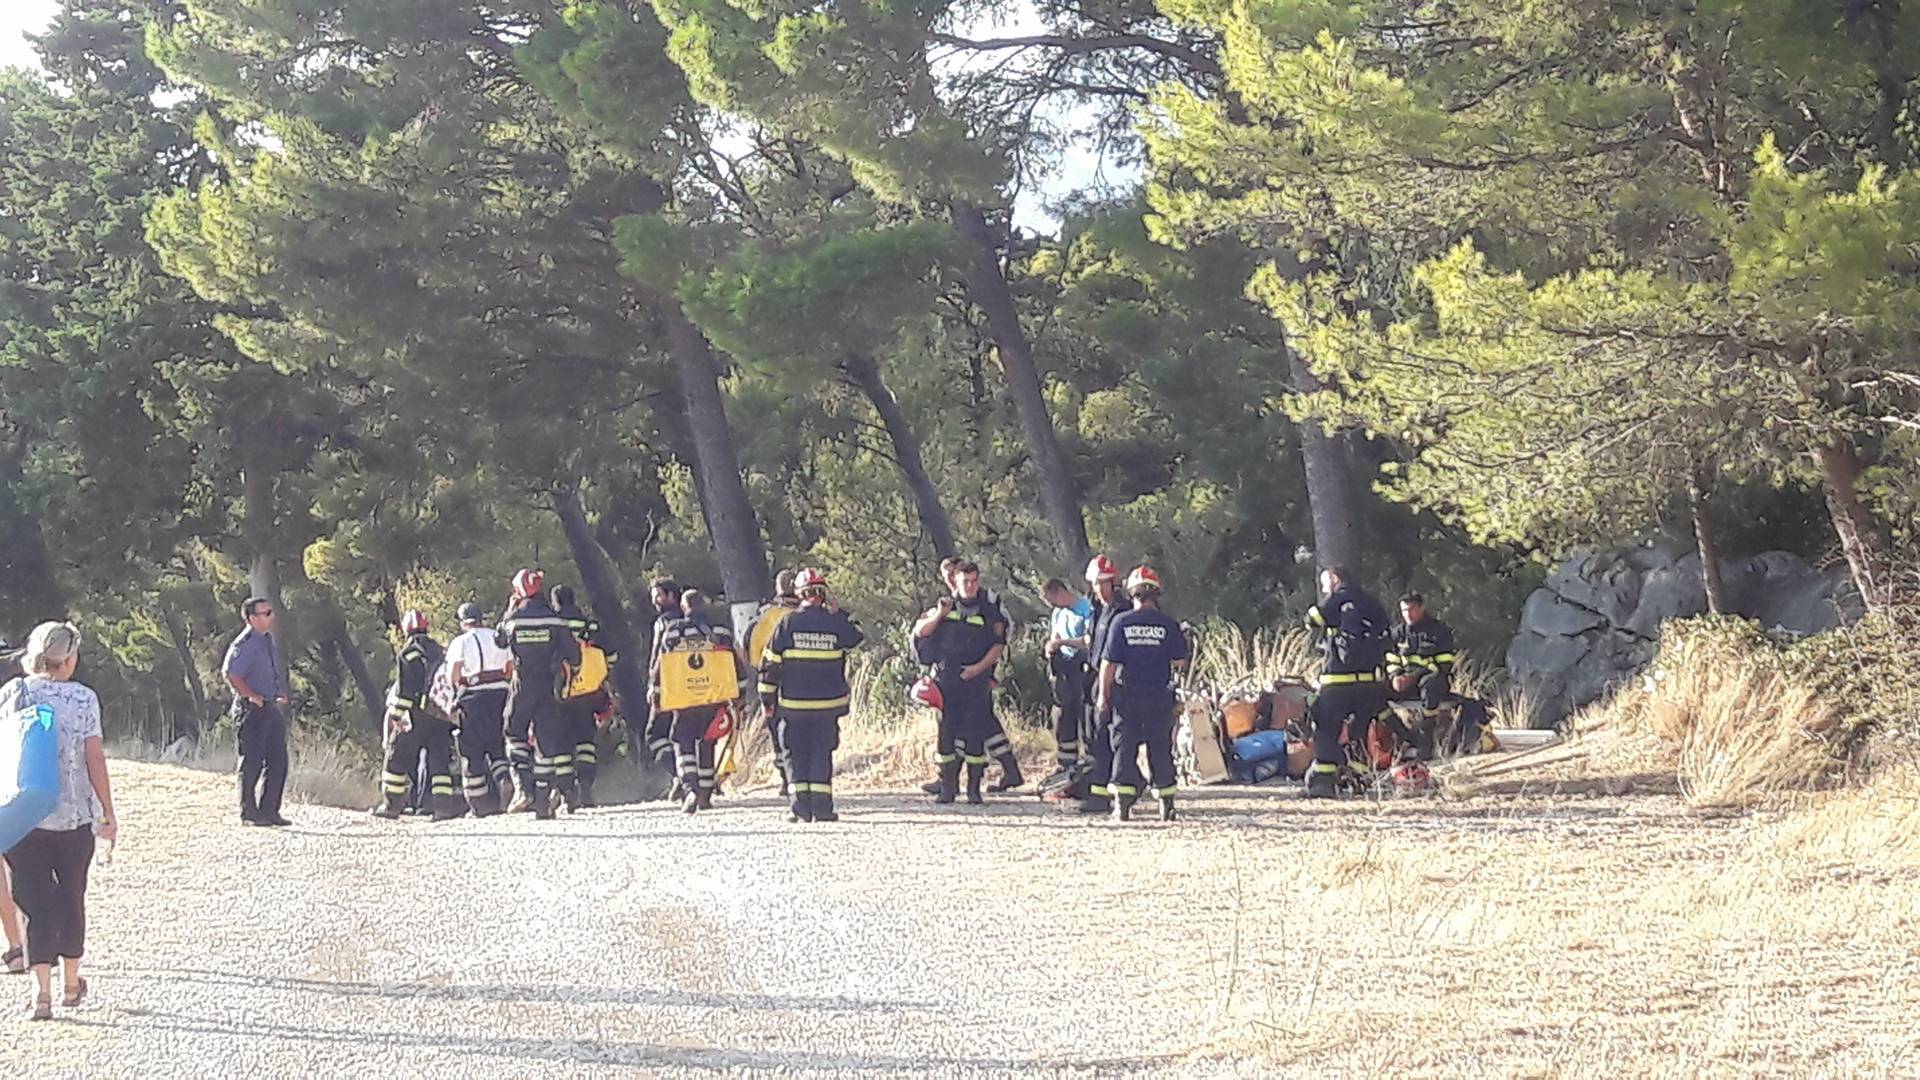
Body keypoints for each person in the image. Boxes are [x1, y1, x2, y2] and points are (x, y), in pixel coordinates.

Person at [2, 621, 117, 1020]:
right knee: (71, 897)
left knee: (32, 904)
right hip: (73, 817)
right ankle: (71, 983)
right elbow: (94, 758)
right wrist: (107, 812)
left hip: (22, 817)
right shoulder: (84, 699)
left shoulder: (13, 693)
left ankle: (41, 994)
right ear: (69, 658)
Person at [757, 569, 863, 823]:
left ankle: (800, 809)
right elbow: (856, 636)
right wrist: (839, 613)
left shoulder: (787, 623)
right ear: (822, 594)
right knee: (821, 754)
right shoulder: (834, 623)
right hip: (827, 708)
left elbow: (769, 664)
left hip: (793, 707)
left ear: (800, 594)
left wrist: (767, 701)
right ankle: (823, 809)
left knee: (794, 754)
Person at [1096, 567, 1190, 822]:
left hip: (1127, 698)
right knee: (1160, 749)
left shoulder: (1121, 622)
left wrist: (1103, 697)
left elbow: (1109, 665)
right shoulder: (1168, 624)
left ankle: (1123, 806)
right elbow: (1180, 661)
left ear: (1132, 592)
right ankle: (1167, 805)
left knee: (1124, 750)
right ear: (1156, 593)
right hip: (1159, 697)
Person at [912, 560, 1008, 805]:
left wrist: (978, 669)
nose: (971, 586)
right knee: (946, 735)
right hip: (947, 681)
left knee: (975, 736)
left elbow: (998, 645)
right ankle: (947, 787)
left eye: (974, 581)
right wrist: (939, 615)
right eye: (966, 581)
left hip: (975, 681)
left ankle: (974, 788)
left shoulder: (988, 610)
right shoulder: (944, 606)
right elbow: (921, 632)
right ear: (955, 580)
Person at [652, 589, 747, 814]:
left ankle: (689, 786)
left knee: (682, 740)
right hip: (714, 697)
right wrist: (740, 694)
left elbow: (662, 665)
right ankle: (705, 795)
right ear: (703, 605)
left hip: (684, 699)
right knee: (708, 741)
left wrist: (655, 693)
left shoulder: (674, 631)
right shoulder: (721, 631)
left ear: (684, 607)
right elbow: (735, 662)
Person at [496, 569, 580, 819]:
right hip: (548, 687)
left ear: (519, 590)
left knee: (513, 733)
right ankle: (543, 803)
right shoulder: (555, 620)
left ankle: (523, 788)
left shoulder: (514, 619)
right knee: (547, 743)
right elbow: (574, 656)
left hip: (521, 685)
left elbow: (500, 640)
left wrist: (509, 610)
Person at [1302, 566, 1392, 799]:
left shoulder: (1339, 598)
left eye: (1325, 584)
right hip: (1368, 683)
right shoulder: (1371, 602)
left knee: (1324, 726)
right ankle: (1360, 779)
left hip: (1338, 680)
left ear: (1335, 579)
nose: (1324, 589)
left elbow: (1312, 619)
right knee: (1360, 732)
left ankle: (1324, 782)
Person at [373, 611, 460, 821]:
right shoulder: (440, 651)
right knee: (439, 761)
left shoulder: (407, 654)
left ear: (406, 630)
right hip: (440, 715)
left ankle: (392, 806)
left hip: (415, 716)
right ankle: (442, 809)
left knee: (396, 758)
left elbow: (404, 692)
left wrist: (396, 717)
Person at [222, 597, 291, 827]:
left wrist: (274, 694)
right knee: (251, 761)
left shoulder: (266, 640)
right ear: (252, 619)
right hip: (250, 710)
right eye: (266, 613)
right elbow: (231, 674)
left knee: (278, 759)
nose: (271, 616)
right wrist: (251, 695)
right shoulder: (246, 643)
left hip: (269, 707)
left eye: (270, 612)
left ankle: (270, 811)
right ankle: (249, 813)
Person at [446, 602, 514, 816]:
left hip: (473, 698)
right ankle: (505, 778)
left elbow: (454, 673)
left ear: (462, 622)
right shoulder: (497, 636)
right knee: (498, 744)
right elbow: (511, 667)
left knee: (471, 749)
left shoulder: (461, 641)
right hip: (501, 695)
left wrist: (458, 688)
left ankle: (478, 806)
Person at [551, 585, 615, 809]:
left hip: (561, 692)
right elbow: (612, 655)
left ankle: (567, 791)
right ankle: (586, 785)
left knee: (560, 745)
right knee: (586, 742)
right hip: (589, 692)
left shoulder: (553, 623)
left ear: (555, 602)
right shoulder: (591, 624)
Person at [1078, 555, 1128, 815]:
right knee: (1093, 737)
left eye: (1104, 583)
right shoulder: (1097, 609)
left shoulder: (1123, 611)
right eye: (1096, 583)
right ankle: (1104, 787)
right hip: (1093, 678)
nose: (1099, 588)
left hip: (1114, 682)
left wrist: (1106, 692)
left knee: (1105, 738)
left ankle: (1102, 794)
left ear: (1113, 582)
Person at [746, 570, 802, 798]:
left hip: (772, 680)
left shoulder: (766, 615)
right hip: (804, 679)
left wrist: (759, 671)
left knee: (778, 729)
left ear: (777, 588)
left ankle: (785, 778)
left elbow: (751, 646)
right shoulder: (806, 612)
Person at [1384, 593, 1459, 761]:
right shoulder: (1398, 633)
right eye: (1404, 610)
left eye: (1411, 609)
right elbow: (1391, 659)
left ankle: (1426, 743)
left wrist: (1414, 676)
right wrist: (1395, 676)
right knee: (1377, 695)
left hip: (1433, 679)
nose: (1408, 614)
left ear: (1421, 608)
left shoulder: (1439, 630)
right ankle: (1406, 737)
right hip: (1404, 682)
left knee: (1430, 688)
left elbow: (1445, 664)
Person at [1042, 578, 1093, 776]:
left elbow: (1088, 640)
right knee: (1063, 716)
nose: (1052, 605)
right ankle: (1066, 762)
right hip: (1063, 671)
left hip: (1082, 668)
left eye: (1052, 599)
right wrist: (1050, 648)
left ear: (1060, 592)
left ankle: (1089, 762)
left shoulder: (1085, 608)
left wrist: (1064, 642)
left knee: (1084, 715)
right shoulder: (1057, 613)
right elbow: (1054, 638)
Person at [641, 577, 686, 774]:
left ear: (671, 595)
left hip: (667, 687)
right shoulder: (690, 619)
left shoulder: (664, 622)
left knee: (654, 735)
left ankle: (678, 775)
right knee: (682, 733)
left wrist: (653, 685)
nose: (654, 601)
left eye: (658, 595)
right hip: (692, 686)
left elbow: (658, 656)